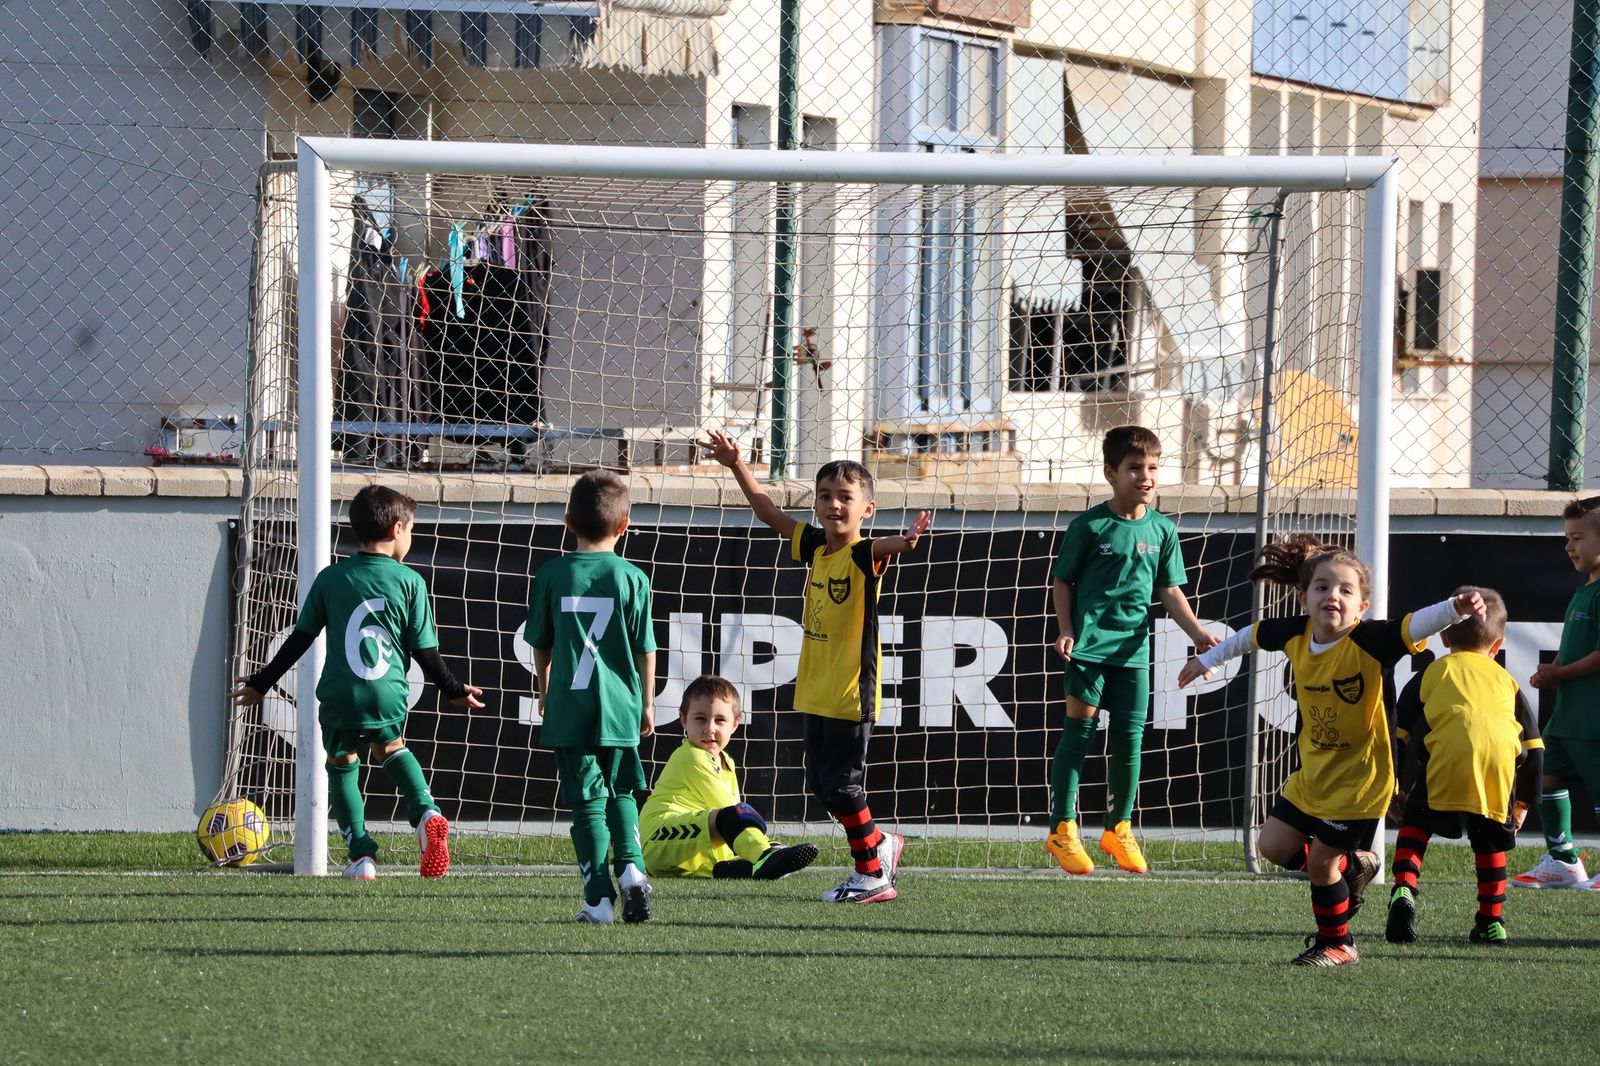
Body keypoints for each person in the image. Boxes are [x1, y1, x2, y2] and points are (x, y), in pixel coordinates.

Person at [1178, 534, 1486, 966]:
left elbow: (1418, 624)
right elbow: (1247, 637)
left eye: (1346, 590)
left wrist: (1456, 608)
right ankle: (1349, 871)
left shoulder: (1372, 641)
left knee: (1321, 862)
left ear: (1362, 606)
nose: (1332, 596)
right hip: (1314, 774)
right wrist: (1206, 661)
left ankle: (1337, 942)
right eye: (1322, 587)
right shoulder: (1294, 633)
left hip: (1362, 779)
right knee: (1273, 847)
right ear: (1304, 597)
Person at [703, 430, 931, 904]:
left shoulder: (863, 555)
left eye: (846, 498)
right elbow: (768, 512)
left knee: (843, 786)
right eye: (825, 496)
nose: (834, 505)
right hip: (816, 689)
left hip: (851, 690)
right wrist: (735, 465)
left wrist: (906, 541)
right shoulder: (814, 547)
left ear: (866, 508)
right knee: (824, 788)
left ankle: (872, 874)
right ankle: (881, 845)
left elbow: (888, 547)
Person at [230, 484, 484, 880]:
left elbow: (299, 640)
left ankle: (361, 856)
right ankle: (425, 813)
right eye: (412, 529)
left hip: (340, 694)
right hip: (386, 692)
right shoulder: (410, 582)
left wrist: (262, 682)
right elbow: (425, 652)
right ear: (397, 529)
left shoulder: (332, 578)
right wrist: (454, 690)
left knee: (343, 762)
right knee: (392, 748)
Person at [1045, 425, 1220, 876]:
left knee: (1129, 742)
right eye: (1135, 468)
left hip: (1134, 654)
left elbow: (1169, 590)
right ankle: (1062, 828)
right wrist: (1067, 630)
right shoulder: (1089, 526)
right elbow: (1062, 580)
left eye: (1153, 468)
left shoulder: (1162, 529)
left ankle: (1117, 827)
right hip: (1088, 652)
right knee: (1079, 735)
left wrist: (1198, 633)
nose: (1146, 476)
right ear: (1111, 473)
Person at [525, 470, 658, 924]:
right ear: (624, 526)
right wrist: (646, 702)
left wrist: (544, 690)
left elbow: (540, 642)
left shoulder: (552, 574)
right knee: (621, 789)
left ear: (567, 521)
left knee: (586, 800)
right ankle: (634, 871)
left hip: (571, 702)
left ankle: (597, 900)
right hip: (620, 705)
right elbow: (645, 647)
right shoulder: (633, 578)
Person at [1385, 586, 1544, 945]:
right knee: (1490, 843)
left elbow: (1398, 733)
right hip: (1496, 773)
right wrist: (1523, 803)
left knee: (1416, 821)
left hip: (1444, 765)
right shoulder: (1508, 682)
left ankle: (1404, 889)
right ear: (1497, 644)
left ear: (1443, 635)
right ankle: (1491, 921)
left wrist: (1393, 786)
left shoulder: (1432, 673)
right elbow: (1534, 746)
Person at [640, 674, 818, 881]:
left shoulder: (727, 762)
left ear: (735, 724)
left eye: (720, 720)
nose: (710, 728)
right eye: (700, 719)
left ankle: (756, 865)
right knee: (734, 815)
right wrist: (764, 843)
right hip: (659, 840)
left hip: (689, 852)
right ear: (683, 720)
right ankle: (765, 854)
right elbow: (732, 811)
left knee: (733, 860)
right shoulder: (691, 756)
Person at [1513, 495, 1600, 890]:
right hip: (1569, 713)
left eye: (1578, 537)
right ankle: (1563, 860)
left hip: (1593, 715)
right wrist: (1555, 676)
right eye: (1567, 537)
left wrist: (1560, 672)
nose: (1569, 546)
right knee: (1547, 776)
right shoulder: (1585, 589)